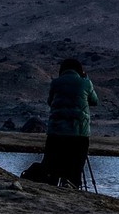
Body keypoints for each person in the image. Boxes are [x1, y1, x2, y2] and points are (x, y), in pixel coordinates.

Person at [42, 57, 97, 188]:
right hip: (78, 132)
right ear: (80, 70)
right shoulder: (85, 83)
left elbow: (50, 102)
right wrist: (86, 78)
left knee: (53, 162)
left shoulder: (55, 83)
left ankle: (52, 182)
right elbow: (94, 101)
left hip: (56, 131)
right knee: (76, 161)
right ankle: (71, 183)